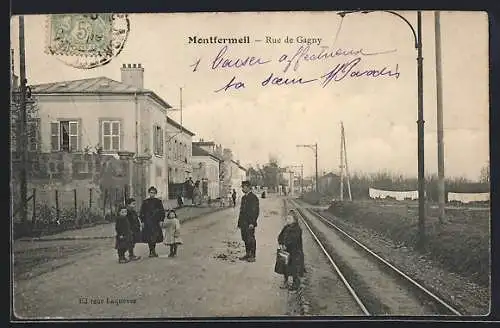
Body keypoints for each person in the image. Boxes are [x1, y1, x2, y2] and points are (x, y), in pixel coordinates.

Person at [277, 210, 305, 291]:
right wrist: (281, 243)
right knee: (284, 267)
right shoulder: (286, 227)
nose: (287, 220)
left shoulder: (297, 229)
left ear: (294, 219)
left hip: (295, 252)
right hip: (286, 251)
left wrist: (286, 245)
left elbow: (294, 239)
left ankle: (296, 284)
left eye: (289, 218)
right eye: (287, 218)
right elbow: (280, 236)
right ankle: (285, 282)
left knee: (294, 268)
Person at [140, 186, 166, 257]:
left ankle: (153, 250)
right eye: (151, 193)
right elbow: (142, 212)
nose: (152, 194)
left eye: (154, 193)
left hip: (155, 222)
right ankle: (151, 251)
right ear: (149, 193)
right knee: (149, 237)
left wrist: (161, 220)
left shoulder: (158, 202)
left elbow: (162, 212)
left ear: (155, 193)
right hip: (147, 221)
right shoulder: (145, 202)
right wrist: (142, 221)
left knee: (155, 236)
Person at [237, 181, 260, 262]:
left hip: (249, 223)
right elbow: (241, 212)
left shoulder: (253, 198)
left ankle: (252, 256)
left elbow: (255, 211)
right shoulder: (244, 198)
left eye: (243, 187)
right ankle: (247, 254)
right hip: (243, 223)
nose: (242, 189)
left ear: (248, 187)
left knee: (251, 239)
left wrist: (252, 223)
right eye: (242, 187)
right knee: (245, 238)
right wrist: (239, 223)